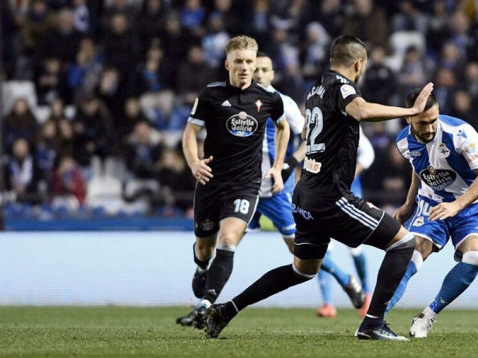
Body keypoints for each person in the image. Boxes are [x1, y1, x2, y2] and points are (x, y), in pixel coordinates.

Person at [205, 35, 434, 341]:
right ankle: (372, 324)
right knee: (403, 244)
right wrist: (410, 112)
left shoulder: (316, 88)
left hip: (305, 194)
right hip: (332, 196)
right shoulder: (343, 87)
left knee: (302, 269)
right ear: (359, 64)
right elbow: (362, 111)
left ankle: (226, 310)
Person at [176, 35, 290, 328]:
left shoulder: (269, 98)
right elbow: (189, 133)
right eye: (238, 61)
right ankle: (202, 269)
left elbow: (283, 127)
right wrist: (194, 163)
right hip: (211, 181)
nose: (244, 67)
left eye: (249, 62)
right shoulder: (211, 94)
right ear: (227, 64)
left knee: (229, 240)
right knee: (204, 250)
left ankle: (206, 304)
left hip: (245, 184)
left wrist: (277, 167)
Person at [247, 52, 365, 311]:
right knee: (224, 240)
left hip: (276, 189)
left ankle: (345, 280)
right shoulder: (233, 102)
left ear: (272, 74)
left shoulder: (283, 103)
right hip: (243, 187)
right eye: (254, 69)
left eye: (264, 69)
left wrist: (289, 164)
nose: (258, 74)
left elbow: (309, 136)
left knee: (300, 252)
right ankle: (204, 302)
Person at [385, 88, 478, 338]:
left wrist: (457, 206)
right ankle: (375, 320)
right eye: (422, 123)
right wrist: (409, 203)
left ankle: (428, 315)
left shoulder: (460, 134)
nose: (429, 128)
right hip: (432, 202)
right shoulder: (403, 141)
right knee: (411, 256)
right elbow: (419, 167)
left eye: (433, 121)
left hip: (470, 203)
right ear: (409, 118)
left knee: (476, 257)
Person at [317, 127, 375, 318]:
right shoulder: (316, 124)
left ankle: (367, 296)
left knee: (354, 245)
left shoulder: (350, 125)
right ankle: (327, 304)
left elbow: (368, 153)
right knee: (322, 245)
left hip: (349, 193)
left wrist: (351, 172)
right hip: (322, 193)